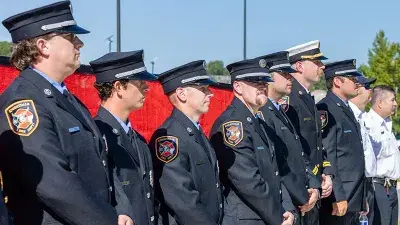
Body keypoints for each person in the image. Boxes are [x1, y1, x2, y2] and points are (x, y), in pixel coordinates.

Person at [0, 1, 133, 224]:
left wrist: (121, 209)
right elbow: (52, 181)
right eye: (71, 38)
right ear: (43, 46)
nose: (79, 43)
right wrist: (108, 219)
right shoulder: (24, 101)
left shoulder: (66, 98)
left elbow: (101, 162)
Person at [210, 58, 295, 225]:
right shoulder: (232, 126)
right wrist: (279, 216)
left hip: (268, 216)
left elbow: (277, 172)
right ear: (237, 87)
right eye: (255, 82)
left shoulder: (258, 121)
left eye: (265, 81)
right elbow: (248, 181)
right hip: (247, 219)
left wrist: (288, 209)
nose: (262, 86)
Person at [149, 60, 223, 225]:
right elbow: (184, 202)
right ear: (182, 94)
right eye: (203, 89)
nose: (210, 94)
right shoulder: (169, 139)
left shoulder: (194, 132)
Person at [91, 50, 158, 225]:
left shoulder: (138, 140)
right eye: (139, 81)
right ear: (119, 87)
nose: (146, 87)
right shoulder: (97, 134)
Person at [256, 51, 318, 224]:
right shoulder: (263, 114)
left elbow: (300, 153)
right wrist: (302, 196)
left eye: (289, 73)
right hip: (289, 201)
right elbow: (280, 165)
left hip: (302, 199)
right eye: (283, 74)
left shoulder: (281, 110)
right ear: (268, 78)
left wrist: (313, 187)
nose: (290, 78)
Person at [285, 40, 334, 224]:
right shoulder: (290, 99)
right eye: (317, 62)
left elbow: (317, 143)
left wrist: (326, 173)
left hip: (315, 185)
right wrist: (313, 178)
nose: (322, 66)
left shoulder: (307, 97)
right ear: (299, 66)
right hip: (302, 188)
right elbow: (292, 147)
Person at [316, 59, 366, 225]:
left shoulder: (344, 108)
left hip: (353, 194)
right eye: (352, 78)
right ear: (337, 81)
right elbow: (328, 154)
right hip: (340, 195)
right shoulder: (326, 108)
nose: (357, 82)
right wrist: (337, 196)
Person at [365, 85, 399, 225]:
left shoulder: (386, 124)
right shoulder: (368, 123)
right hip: (377, 187)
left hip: (391, 187)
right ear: (379, 102)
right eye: (392, 100)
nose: (396, 104)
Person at [348, 75, 377, 222]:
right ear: (357, 89)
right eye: (366, 87)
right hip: (356, 184)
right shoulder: (349, 115)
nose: (370, 90)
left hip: (367, 183)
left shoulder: (362, 116)